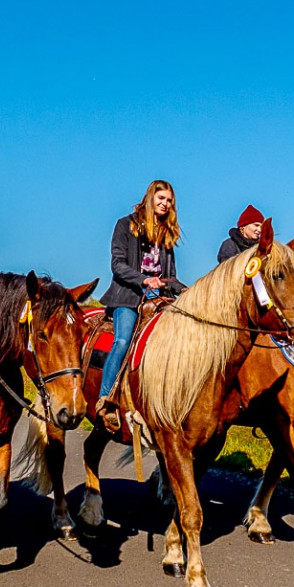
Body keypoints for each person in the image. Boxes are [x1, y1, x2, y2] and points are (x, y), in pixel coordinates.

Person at [95, 180, 186, 431]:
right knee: (123, 340)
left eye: (169, 201)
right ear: (150, 198)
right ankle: (107, 399)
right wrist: (144, 279)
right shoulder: (125, 225)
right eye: (161, 199)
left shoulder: (166, 233)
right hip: (128, 296)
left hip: (158, 299)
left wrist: (187, 290)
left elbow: (171, 275)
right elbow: (118, 265)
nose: (165, 204)